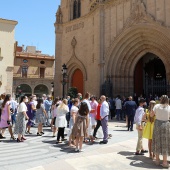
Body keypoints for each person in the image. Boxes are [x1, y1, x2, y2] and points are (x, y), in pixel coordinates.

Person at [151, 95, 170, 168]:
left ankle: (157, 160)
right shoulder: (169, 107)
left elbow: (152, 115)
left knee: (157, 141)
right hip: (166, 124)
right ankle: (165, 162)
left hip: (158, 124)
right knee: (165, 142)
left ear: (160, 99)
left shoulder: (157, 106)